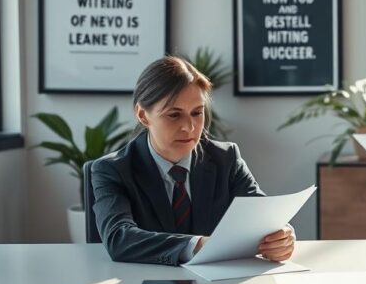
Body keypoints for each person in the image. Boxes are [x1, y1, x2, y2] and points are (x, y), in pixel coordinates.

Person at [90, 55, 295, 265]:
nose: (189, 127)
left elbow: (263, 218)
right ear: (143, 115)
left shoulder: (226, 159)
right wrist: (197, 246)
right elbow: (119, 238)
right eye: (174, 115)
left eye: (197, 113)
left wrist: (281, 236)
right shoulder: (111, 170)